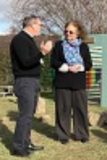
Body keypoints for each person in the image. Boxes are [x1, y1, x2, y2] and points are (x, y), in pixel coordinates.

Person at [10, 15, 53, 157]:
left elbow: (33, 61)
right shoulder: (19, 40)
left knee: (30, 115)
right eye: (40, 24)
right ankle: (18, 147)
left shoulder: (29, 40)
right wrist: (43, 52)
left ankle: (26, 142)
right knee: (25, 116)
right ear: (31, 25)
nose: (41, 27)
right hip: (25, 82)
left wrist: (39, 52)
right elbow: (25, 62)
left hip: (32, 81)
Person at [51, 20, 92, 144]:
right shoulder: (59, 45)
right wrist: (67, 67)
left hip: (79, 83)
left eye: (71, 32)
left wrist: (80, 67)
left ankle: (82, 134)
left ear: (78, 33)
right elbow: (53, 62)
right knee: (63, 110)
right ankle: (63, 135)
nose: (68, 34)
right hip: (62, 83)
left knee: (81, 109)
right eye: (66, 31)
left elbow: (89, 64)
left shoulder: (84, 46)